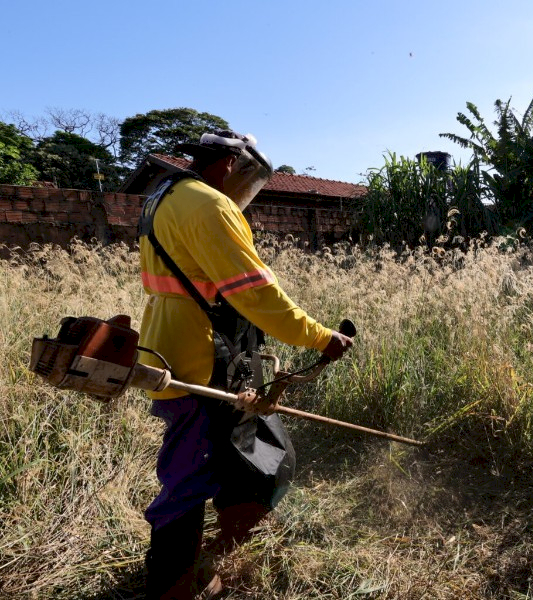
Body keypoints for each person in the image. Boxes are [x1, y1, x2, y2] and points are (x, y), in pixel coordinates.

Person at [136, 130, 353, 599]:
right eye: (250, 178)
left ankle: (200, 563)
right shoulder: (209, 204)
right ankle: (172, 584)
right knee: (191, 476)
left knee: (250, 460)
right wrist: (321, 336)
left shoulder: (165, 196)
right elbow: (254, 292)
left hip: (177, 348)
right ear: (232, 166)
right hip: (198, 359)